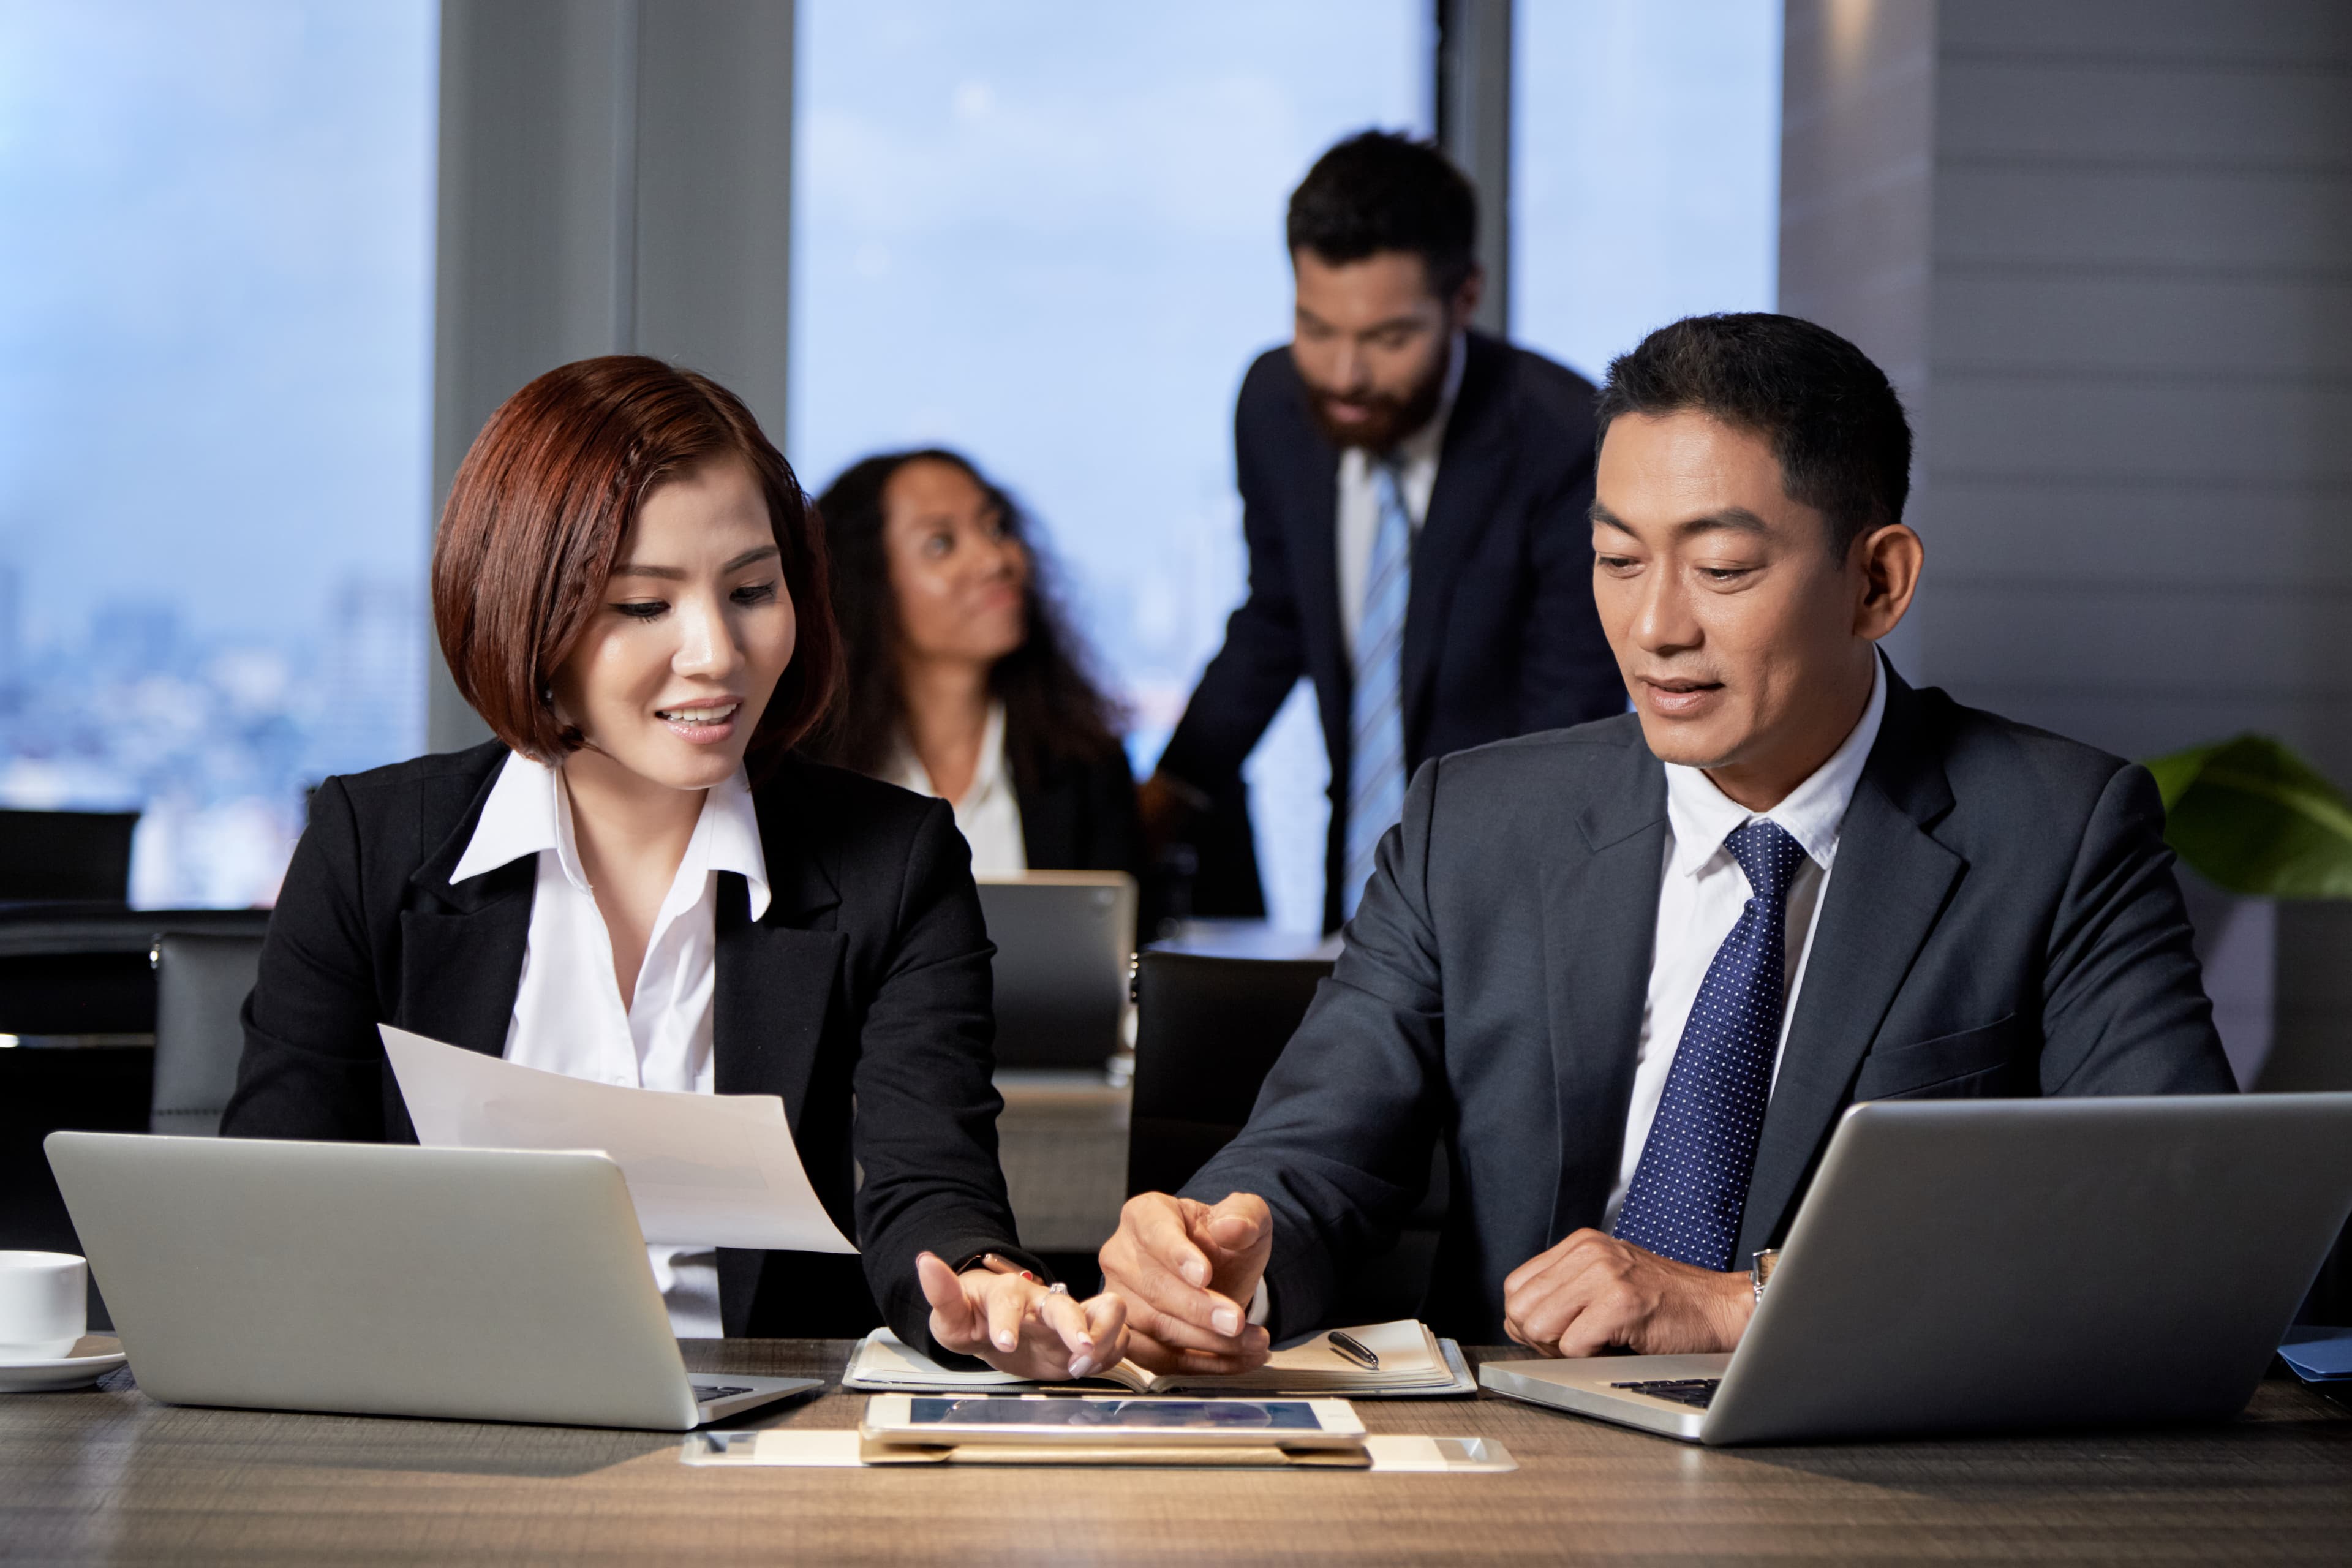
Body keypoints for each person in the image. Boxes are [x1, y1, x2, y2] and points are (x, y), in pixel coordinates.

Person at [1101, 313, 2236, 1372]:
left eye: (1723, 569)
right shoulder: (1477, 823)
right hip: (1520, 1460)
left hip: (1870, 1461)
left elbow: (2178, 1218)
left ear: (1877, 582)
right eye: (1618, 560)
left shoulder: (2058, 834)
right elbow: (1320, 1146)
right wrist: (1226, 1247)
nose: (1655, 629)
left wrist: (1747, 1303)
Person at [222, 357, 1125, 1377]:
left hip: (761, 1419)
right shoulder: (370, 844)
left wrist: (985, 1284)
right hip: (439, 1406)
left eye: (752, 590)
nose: (717, 653)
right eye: (645, 605)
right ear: (526, 613)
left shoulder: (895, 861)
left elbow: (932, 1183)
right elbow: (272, 1205)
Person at [1142, 130, 1625, 932]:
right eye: (1316, 328)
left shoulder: (1565, 439)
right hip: (1354, 884)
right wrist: (1174, 787)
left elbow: (1566, 730)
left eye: (1388, 338)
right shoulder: (1273, 404)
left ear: (1465, 298)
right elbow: (1277, 617)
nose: (1345, 375)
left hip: (1515, 889)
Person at [809, 448, 1146, 908]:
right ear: (865, 583)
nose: (994, 559)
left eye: (996, 528)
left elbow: (1117, 944)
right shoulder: (808, 772)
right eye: (941, 544)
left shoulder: (1087, 766)